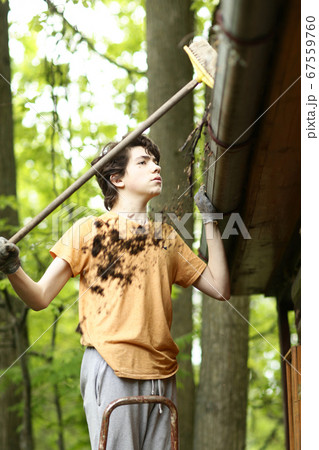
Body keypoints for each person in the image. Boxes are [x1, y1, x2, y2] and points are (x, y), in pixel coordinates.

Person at [0, 134, 230, 450]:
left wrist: (210, 221)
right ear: (117, 179)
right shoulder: (88, 230)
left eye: (156, 161)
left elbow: (220, 288)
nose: (156, 167)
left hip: (162, 375)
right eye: (144, 161)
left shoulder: (167, 237)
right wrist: (14, 268)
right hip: (113, 366)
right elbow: (39, 298)